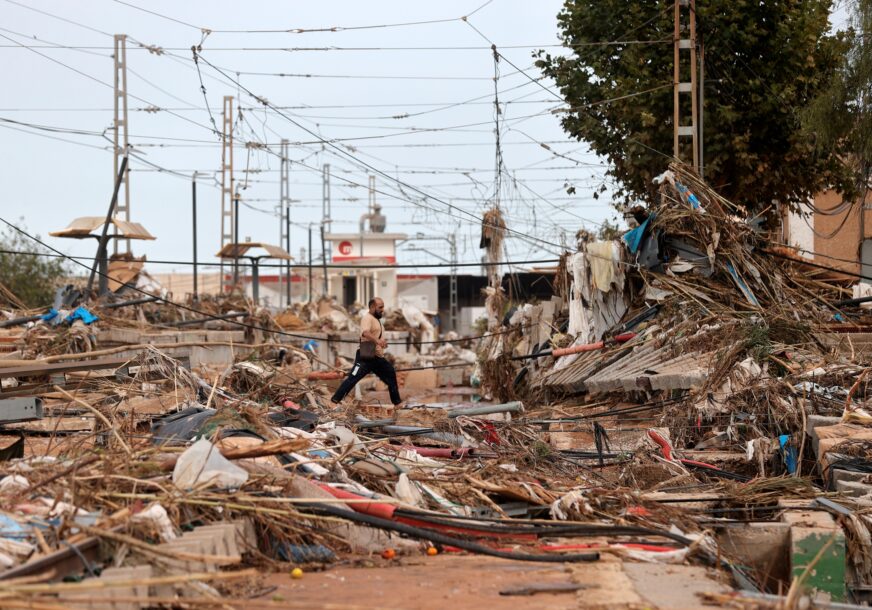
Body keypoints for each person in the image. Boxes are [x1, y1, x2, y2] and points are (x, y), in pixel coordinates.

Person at [331, 297, 402, 407]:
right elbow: (365, 333)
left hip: (377, 357)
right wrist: (378, 341)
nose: (383, 309)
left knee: (390, 374)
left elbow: (374, 335)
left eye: (383, 306)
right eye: (380, 307)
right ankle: (335, 400)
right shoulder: (367, 318)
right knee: (353, 377)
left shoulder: (377, 320)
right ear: (372, 307)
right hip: (364, 358)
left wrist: (382, 343)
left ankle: (397, 403)